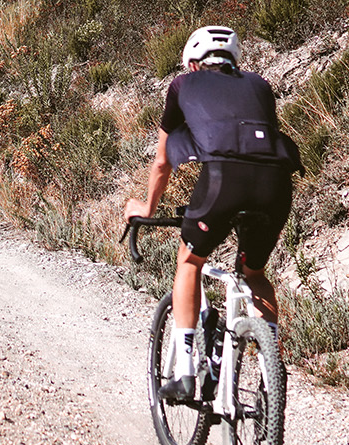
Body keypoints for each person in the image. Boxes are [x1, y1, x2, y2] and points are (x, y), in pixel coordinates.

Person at [124, 25, 299, 404]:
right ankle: (273, 375)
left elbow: (161, 160)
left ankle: (185, 371)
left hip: (223, 179)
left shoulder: (183, 86)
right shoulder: (260, 86)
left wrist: (146, 207)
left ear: (191, 63)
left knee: (189, 261)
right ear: (233, 60)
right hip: (276, 184)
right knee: (254, 273)